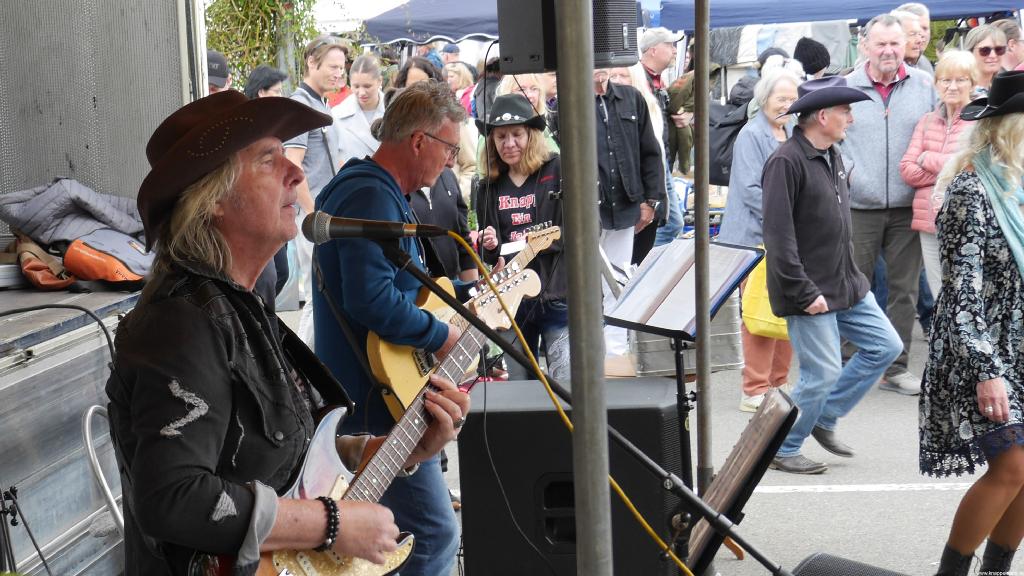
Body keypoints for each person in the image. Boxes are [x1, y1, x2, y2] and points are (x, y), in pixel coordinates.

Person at [105, 90, 469, 575]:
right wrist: (331, 522)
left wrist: (399, 450)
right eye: (267, 160)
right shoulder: (182, 322)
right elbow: (172, 497)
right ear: (212, 199)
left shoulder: (241, 306)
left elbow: (281, 462)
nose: (296, 173)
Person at [313, 80, 466, 576]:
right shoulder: (369, 194)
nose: (452, 160)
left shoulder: (371, 189)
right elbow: (370, 297)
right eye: (450, 147)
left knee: (393, 540)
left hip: (376, 396)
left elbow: (393, 292)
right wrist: (439, 336)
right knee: (433, 534)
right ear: (420, 141)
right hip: (373, 404)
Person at [762, 76, 903, 475]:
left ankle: (824, 416)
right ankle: (784, 446)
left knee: (886, 347)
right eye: (845, 111)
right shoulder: (786, 161)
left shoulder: (831, 153)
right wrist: (803, 291)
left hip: (845, 282)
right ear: (822, 116)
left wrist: (854, 278)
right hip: (808, 288)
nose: (851, 118)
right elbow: (778, 237)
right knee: (821, 371)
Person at [921, 70, 1024, 576]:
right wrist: (987, 368)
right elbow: (961, 289)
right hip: (979, 347)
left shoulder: (1021, 188)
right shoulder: (970, 189)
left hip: (1020, 346)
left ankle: (996, 571)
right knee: (1011, 466)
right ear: (1011, 128)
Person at [841, 14, 937, 395]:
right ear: (865, 45)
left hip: (905, 204)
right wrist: (850, 178)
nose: (889, 51)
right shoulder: (846, 86)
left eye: (895, 44)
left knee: (904, 289)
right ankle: (852, 361)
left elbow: (937, 135)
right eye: (881, 44)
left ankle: (895, 367)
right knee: (854, 286)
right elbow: (833, 140)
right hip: (858, 206)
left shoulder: (925, 87)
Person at [716, 67, 802, 413]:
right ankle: (754, 387)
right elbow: (751, 190)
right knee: (757, 316)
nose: (787, 105)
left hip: (789, 236)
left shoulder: (794, 131)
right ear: (764, 100)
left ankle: (779, 381)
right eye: (781, 98)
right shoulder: (752, 134)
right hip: (756, 237)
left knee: (787, 312)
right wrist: (787, 222)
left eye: (793, 99)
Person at [477, 94, 569, 381]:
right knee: (520, 387)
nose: (509, 144)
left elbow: (583, 230)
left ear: (531, 134)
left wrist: (546, 242)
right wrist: (488, 245)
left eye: (517, 135)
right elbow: (492, 253)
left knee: (565, 382)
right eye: (500, 136)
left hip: (558, 295)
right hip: (512, 302)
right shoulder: (486, 186)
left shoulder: (558, 170)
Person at [592, 68, 666, 376]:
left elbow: (651, 153)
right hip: (587, 212)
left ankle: (616, 356)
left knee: (619, 284)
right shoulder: (566, 102)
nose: (602, 66)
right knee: (587, 287)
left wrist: (651, 201)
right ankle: (591, 356)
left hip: (624, 207)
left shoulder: (631, 98)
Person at [899, 51, 977, 299]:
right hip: (929, 222)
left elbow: (975, 168)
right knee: (939, 293)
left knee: (967, 293)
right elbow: (908, 170)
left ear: (972, 84)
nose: (952, 86)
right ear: (937, 84)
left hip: (968, 220)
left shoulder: (981, 122)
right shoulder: (927, 121)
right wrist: (951, 171)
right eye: (945, 80)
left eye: (961, 80)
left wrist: (928, 159)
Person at [285, 36, 346, 345]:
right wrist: (313, 216)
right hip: (311, 218)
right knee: (316, 297)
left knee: (325, 297)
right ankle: (304, 377)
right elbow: (294, 169)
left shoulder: (321, 104)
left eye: (342, 68)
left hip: (324, 216)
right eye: (333, 66)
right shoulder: (300, 106)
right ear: (311, 62)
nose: (339, 73)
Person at [244, 64, 292, 296]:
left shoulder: (273, 124)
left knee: (281, 272)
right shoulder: (246, 126)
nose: (281, 96)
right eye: (277, 91)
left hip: (275, 208)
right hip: (257, 213)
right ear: (261, 92)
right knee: (268, 277)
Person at [333, 54, 385, 166]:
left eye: (367, 86)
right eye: (356, 86)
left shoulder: (394, 112)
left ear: (379, 81)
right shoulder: (338, 114)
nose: (361, 93)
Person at [966, 24, 1009, 98]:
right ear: (970, 52)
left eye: (999, 49)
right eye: (985, 50)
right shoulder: (960, 91)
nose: (993, 55)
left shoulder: (1007, 88)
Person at [892, 10, 930, 76]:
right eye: (913, 34)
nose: (919, 40)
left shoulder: (924, 64)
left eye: (919, 34)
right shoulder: (874, 73)